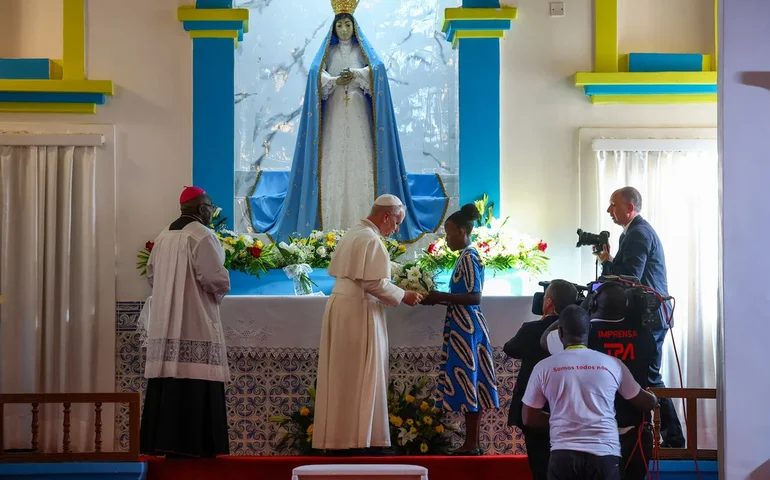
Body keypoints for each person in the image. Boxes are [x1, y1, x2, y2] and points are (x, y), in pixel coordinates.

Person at [260, 0, 440, 242]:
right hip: (334, 109)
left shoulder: (360, 52)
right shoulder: (330, 53)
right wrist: (334, 80)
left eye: (347, 25)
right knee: (334, 160)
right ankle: (332, 228)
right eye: (340, 26)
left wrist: (356, 74)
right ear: (334, 30)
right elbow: (316, 75)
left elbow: (377, 70)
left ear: (354, 27)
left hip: (357, 111)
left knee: (360, 160)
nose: (344, 30)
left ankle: (364, 228)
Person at [312, 194, 424, 454]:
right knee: (360, 373)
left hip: (347, 307)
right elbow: (373, 283)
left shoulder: (356, 233)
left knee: (345, 375)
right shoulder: (369, 238)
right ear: (386, 216)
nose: (396, 230)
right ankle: (358, 441)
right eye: (396, 223)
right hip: (358, 310)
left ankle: (343, 438)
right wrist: (403, 295)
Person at [139, 186, 231, 458]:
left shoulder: (164, 236)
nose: (212, 212)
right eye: (211, 207)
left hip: (166, 324)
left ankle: (164, 442)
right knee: (197, 377)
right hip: (196, 321)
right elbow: (214, 279)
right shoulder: (202, 236)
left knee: (168, 379)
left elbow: (152, 276)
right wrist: (223, 287)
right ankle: (198, 447)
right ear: (202, 209)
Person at [523, 306, 658, 480]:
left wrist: (566, 421)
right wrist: (654, 398)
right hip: (604, 455)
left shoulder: (544, 367)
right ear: (590, 330)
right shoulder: (612, 364)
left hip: (564, 454)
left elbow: (529, 418)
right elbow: (644, 402)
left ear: (560, 332)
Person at [597, 186, 685, 448]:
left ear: (630, 208)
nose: (609, 210)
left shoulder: (638, 233)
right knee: (643, 375)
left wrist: (607, 263)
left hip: (651, 315)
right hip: (647, 314)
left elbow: (631, 275)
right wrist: (608, 260)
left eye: (613, 205)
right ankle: (655, 435)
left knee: (649, 377)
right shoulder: (631, 233)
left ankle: (673, 439)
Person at [421, 204, 499, 455]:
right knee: (469, 382)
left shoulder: (470, 257)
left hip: (468, 326)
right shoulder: (466, 256)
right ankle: (471, 443)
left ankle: (472, 444)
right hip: (462, 324)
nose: (447, 238)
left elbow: (475, 297)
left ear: (463, 231)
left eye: (450, 233)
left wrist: (440, 296)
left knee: (470, 381)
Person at [503, 279, 578, 480]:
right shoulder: (578, 331)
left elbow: (510, 348)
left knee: (540, 463)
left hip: (534, 408)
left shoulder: (532, 329)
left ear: (548, 303)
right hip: (567, 406)